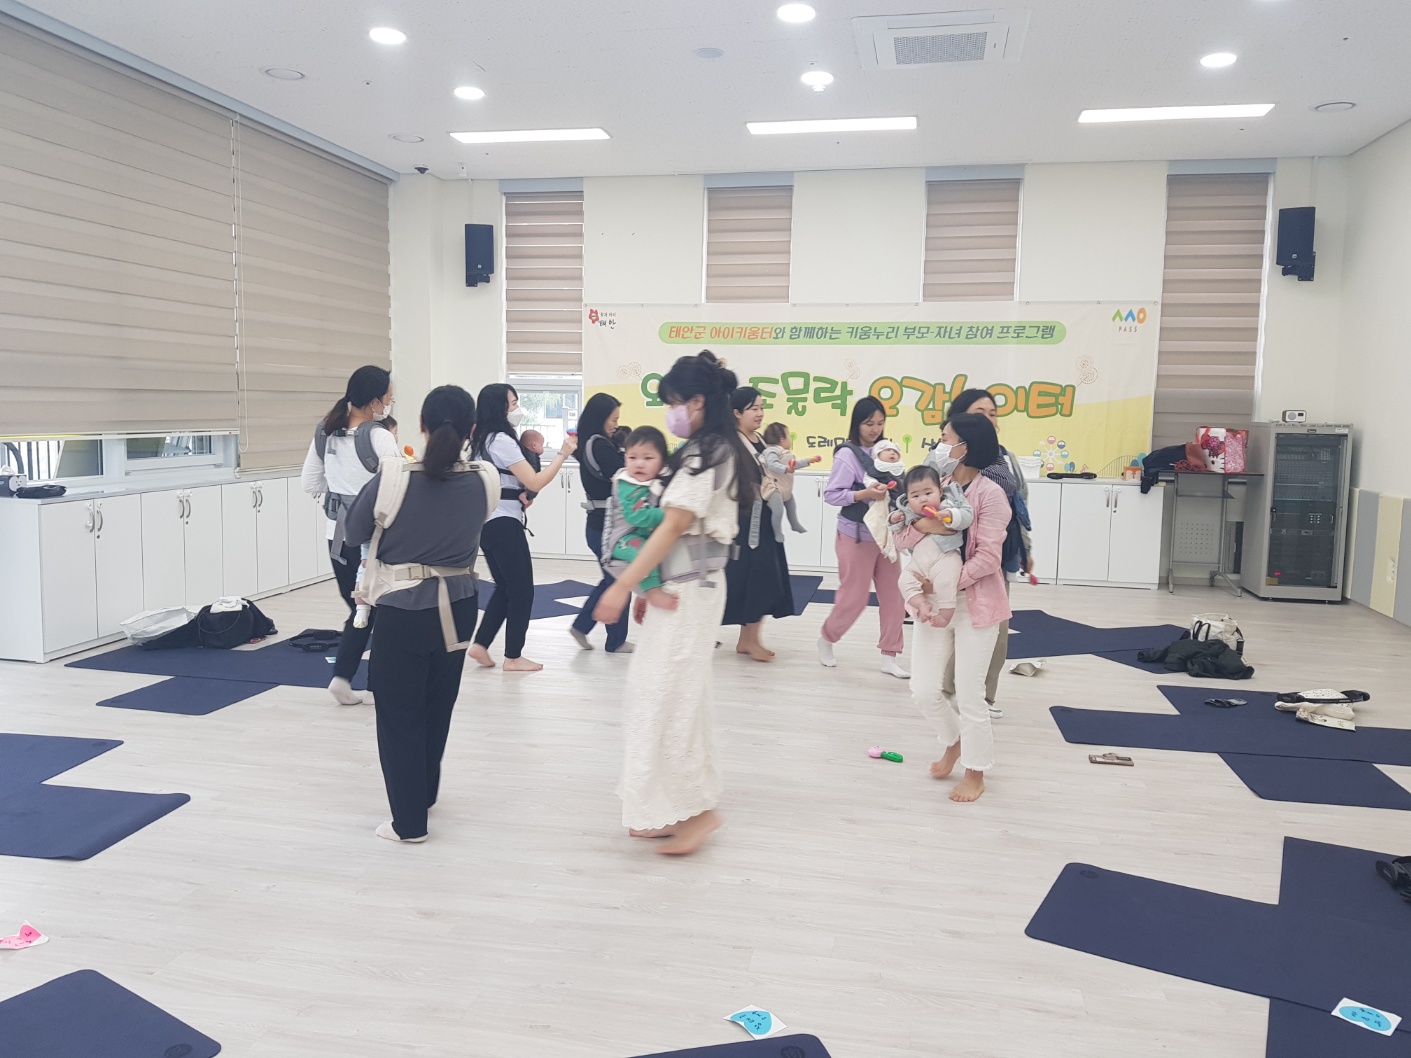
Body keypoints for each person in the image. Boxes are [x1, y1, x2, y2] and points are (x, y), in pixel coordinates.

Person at [592, 350, 752, 855]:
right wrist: (646, 587)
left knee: (667, 695)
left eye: (674, 402)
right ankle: (665, 807)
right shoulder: (703, 449)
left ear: (697, 402)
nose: (670, 413)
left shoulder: (709, 454)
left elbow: (672, 526)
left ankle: (696, 811)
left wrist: (622, 586)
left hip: (691, 589)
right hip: (681, 586)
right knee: (663, 692)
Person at [344, 385, 490, 841]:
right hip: (460, 606)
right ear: (471, 430)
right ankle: (423, 794)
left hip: (403, 608)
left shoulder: (395, 477)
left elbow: (352, 533)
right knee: (437, 704)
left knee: (399, 714)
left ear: (422, 427)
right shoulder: (483, 479)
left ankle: (408, 823)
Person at [894, 413, 1012, 803]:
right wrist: (922, 528)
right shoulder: (936, 485)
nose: (940, 445)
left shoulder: (991, 495)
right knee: (923, 689)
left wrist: (945, 584)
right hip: (932, 604)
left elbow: (989, 559)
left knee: (970, 693)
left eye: (946, 438)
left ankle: (976, 771)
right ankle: (954, 740)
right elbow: (902, 538)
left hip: (976, 603)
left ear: (965, 446)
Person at [928, 388, 1034, 720]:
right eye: (979, 413)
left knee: (995, 627)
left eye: (992, 413)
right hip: (953, 555)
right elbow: (922, 506)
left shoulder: (1004, 458)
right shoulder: (943, 461)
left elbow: (1019, 504)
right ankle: (947, 691)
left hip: (997, 550)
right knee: (951, 627)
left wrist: (1026, 547)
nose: (988, 419)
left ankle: (983, 696)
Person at [299, 364, 398, 706]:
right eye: (388, 397)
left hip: (338, 538)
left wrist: (341, 493)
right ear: (374, 402)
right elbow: (396, 485)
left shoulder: (325, 431)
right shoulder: (379, 436)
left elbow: (310, 483)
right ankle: (375, 685)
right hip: (377, 540)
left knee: (360, 610)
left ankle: (342, 677)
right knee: (382, 611)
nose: (390, 403)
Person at [468, 383, 578, 672]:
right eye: (513, 403)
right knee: (522, 591)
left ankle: (481, 644)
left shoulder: (480, 440)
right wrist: (563, 453)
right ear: (500, 407)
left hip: (486, 523)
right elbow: (535, 480)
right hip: (504, 522)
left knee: (506, 587)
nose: (517, 409)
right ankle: (513, 657)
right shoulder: (501, 440)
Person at [817, 397, 909, 679]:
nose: (875, 429)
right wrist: (865, 494)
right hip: (855, 535)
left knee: (895, 597)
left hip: (886, 537)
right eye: (869, 423)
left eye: (880, 423)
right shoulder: (848, 455)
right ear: (857, 423)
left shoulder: (888, 451)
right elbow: (832, 495)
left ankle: (890, 655)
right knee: (854, 598)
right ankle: (827, 637)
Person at [722, 387, 795, 662]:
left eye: (762, 408)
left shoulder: (761, 441)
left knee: (764, 580)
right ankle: (749, 641)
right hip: (745, 524)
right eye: (754, 408)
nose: (760, 413)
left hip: (765, 521)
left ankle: (749, 639)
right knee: (754, 580)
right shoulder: (731, 443)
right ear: (736, 413)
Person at [570, 393, 632, 653]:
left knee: (613, 579)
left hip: (599, 525)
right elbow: (626, 477)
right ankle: (614, 640)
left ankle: (583, 627)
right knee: (620, 580)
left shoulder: (588, 443)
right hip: (607, 526)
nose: (616, 425)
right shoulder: (600, 446)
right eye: (613, 419)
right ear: (600, 418)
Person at [892, 464, 973, 628]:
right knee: (904, 580)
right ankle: (922, 604)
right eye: (915, 496)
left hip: (946, 557)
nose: (923, 499)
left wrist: (951, 515)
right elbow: (897, 536)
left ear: (940, 492)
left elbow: (966, 517)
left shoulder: (949, 504)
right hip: (919, 562)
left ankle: (945, 615)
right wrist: (894, 520)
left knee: (945, 582)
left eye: (928, 493)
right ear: (908, 498)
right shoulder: (907, 512)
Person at [605, 426, 673, 609]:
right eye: (632, 458)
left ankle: (645, 592)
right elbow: (638, 516)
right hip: (624, 539)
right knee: (645, 553)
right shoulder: (628, 484)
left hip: (644, 535)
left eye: (648, 458)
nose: (639, 464)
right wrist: (670, 515)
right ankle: (652, 592)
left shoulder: (660, 480)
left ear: (662, 461)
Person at [760, 422, 820, 535]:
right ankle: (777, 532)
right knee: (778, 511)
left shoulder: (785, 453)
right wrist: (786, 468)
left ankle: (794, 523)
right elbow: (772, 464)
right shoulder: (771, 451)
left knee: (792, 505)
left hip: (784, 487)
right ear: (782, 440)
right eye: (789, 436)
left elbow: (795, 465)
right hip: (773, 488)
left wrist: (808, 461)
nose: (790, 439)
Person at [861, 438, 906, 560]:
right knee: (881, 522)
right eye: (888, 450)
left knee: (898, 523)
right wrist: (875, 485)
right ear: (878, 454)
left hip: (897, 504)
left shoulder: (900, 470)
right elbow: (868, 480)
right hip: (881, 501)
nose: (892, 453)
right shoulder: (874, 469)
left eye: (895, 452)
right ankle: (886, 542)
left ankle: (896, 542)